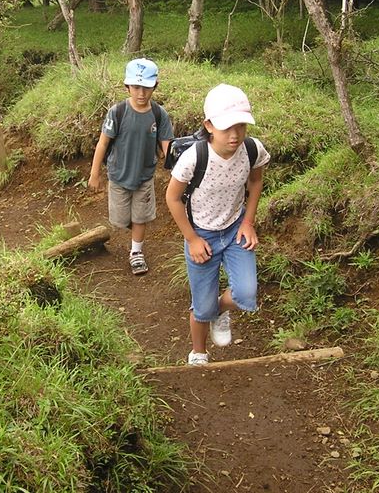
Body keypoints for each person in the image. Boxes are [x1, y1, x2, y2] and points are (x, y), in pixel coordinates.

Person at [165, 83, 270, 365]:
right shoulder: (194, 157)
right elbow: (172, 198)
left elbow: (256, 180)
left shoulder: (252, 149)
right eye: (227, 127)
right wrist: (192, 239)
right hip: (201, 232)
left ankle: (220, 310)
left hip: (235, 228)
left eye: (240, 126)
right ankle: (198, 352)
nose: (235, 135)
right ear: (209, 125)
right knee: (201, 305)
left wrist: (248, 222)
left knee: (246, 295)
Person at [89, 58, 174, 275]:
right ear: (127, 87)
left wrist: (175, 168)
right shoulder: (117, 112)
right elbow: (103, 142)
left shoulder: (159, 114)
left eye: (146, 87)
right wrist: (95, 172)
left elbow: (167, 145)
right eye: (136, 87)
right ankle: (135, 229)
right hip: (118, 175)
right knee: (120, 220)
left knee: (140, 217)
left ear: (154, 86)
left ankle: (136, 253)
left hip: (144, 176)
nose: (141, 93)